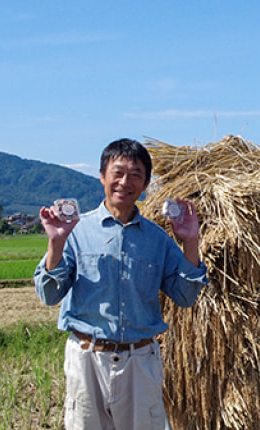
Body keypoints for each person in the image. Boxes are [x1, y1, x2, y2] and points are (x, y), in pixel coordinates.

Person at [34, 138, 209, 430]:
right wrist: (56, 243)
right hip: (87, 358)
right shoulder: (75, 232)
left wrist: (191, 242)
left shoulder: (158, 239)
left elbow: (185, 295)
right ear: (102, 176)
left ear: (145, 184)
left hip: (139, 361)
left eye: (135, 175)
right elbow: (50, 295)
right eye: (117, 172)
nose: (124, 182)